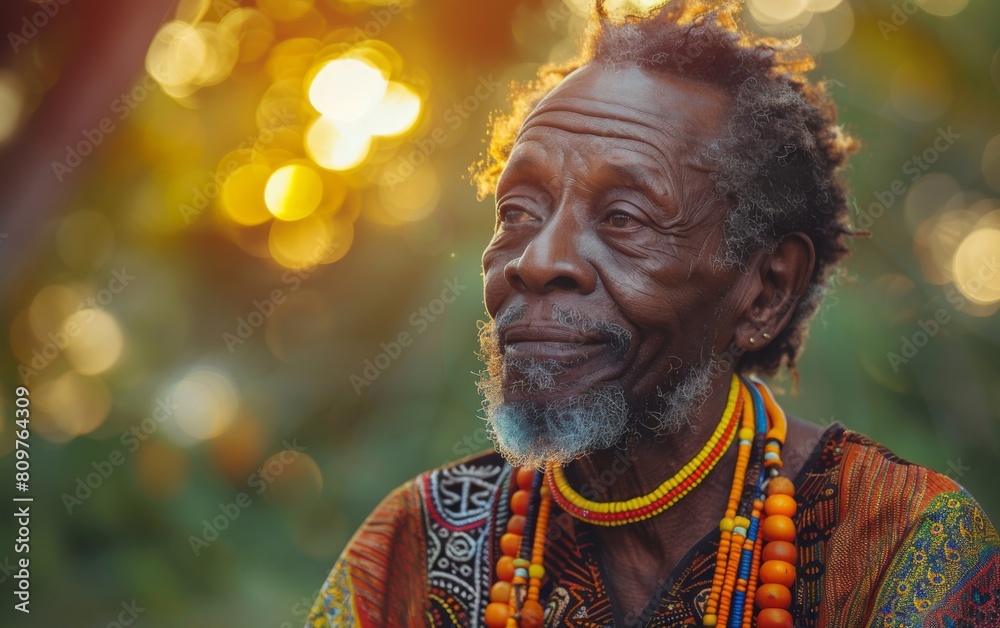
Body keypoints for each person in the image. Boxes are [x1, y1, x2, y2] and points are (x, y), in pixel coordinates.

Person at [307, 1, 999, 626]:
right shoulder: (421, 543)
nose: (537, 261)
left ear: (766, 288)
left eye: (624, 217)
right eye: (518, 211)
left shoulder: (898, 541)